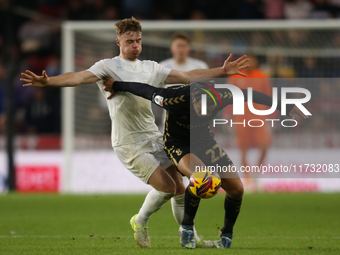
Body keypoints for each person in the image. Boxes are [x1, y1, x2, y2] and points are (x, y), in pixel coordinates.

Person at [20, 17, 249, 248]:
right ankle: (139, 221)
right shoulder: (106, 66)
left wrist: (222, 71)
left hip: (154, 136)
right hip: (128, 143)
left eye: (138, 40)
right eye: (130, 41)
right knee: (168, 188)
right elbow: (77, 77)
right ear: (118, 42)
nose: (136, 46)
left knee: (180, 187)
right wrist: (48, 81)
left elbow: (186, 76)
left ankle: (191, 238)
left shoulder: (150, 67)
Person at [102, 78, 307, 249]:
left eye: (210, 106)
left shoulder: (223, 95)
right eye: (200, 105)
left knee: (237, 189)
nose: (204, 110)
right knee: (201, 179)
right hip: (178, 143)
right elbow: (145, 90)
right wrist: (116, 85)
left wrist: (285, 105)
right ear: (192, 98)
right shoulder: (173, 98)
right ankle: (187, 229)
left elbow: (248, 94)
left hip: (204, 141)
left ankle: (226, 235)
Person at [227, 54, 273, 191]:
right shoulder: (234, 77)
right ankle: (248, 180)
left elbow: (269, 96)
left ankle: (255, 174)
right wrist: (227, 116)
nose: (250, 63)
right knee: (243, 149)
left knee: (265, 146)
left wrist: (272, 116)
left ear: (256, 61)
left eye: (253, 60)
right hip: (241, 118)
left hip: (259, 117)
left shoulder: (262, 76)